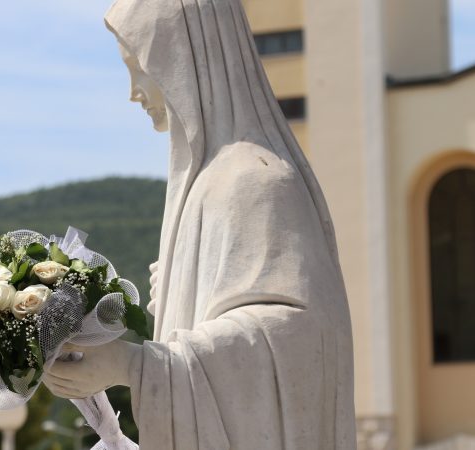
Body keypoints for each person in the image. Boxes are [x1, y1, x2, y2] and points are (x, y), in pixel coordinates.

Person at [42, 0, 356, 448]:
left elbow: (298, 338)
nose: (133, 90)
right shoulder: (204, 187)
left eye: (140, 65)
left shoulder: (256, 178)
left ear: (183, 59)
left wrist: (133, 365)